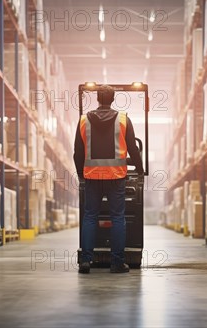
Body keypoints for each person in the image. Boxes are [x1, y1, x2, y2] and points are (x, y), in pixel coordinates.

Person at [74, 85, 144, 274]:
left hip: (92, 177)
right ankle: (117, 263)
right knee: (117, 217)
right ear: (113, 99)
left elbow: (77, 153)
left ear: (97, 99)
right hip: (116, 176)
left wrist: (82, 175)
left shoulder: (83, 121)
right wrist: (140, 169)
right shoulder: (123, 119)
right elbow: (132, 148)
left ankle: (86, 262)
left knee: (90, 216)